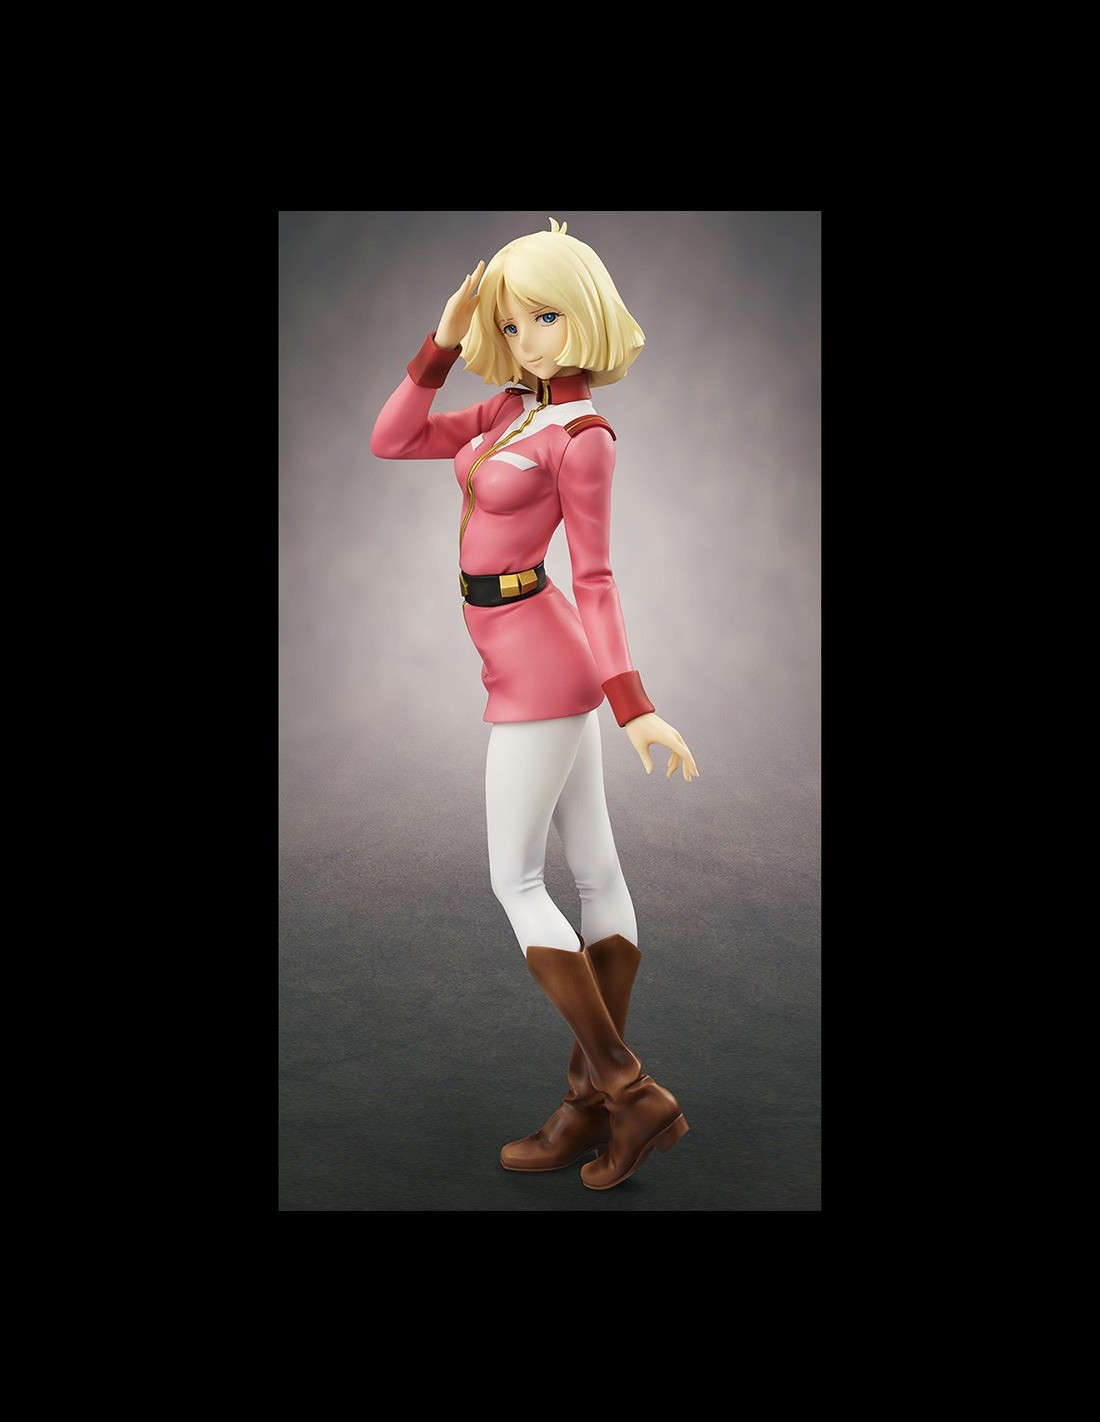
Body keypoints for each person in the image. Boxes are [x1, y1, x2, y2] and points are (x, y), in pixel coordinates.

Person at [370, 218, 698, 1191]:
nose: (528, 341)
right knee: (593, 868)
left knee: (514, 880)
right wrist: (442, 342)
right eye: (512, 325)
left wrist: (633, 704)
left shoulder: (582, 439)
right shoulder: (506, 411)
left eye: (545, 318)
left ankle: (629, 1089)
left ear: (583, 314)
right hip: (516, 651)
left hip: (542, 662)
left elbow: (594, 578)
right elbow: (392, 438)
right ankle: (588, 1105)